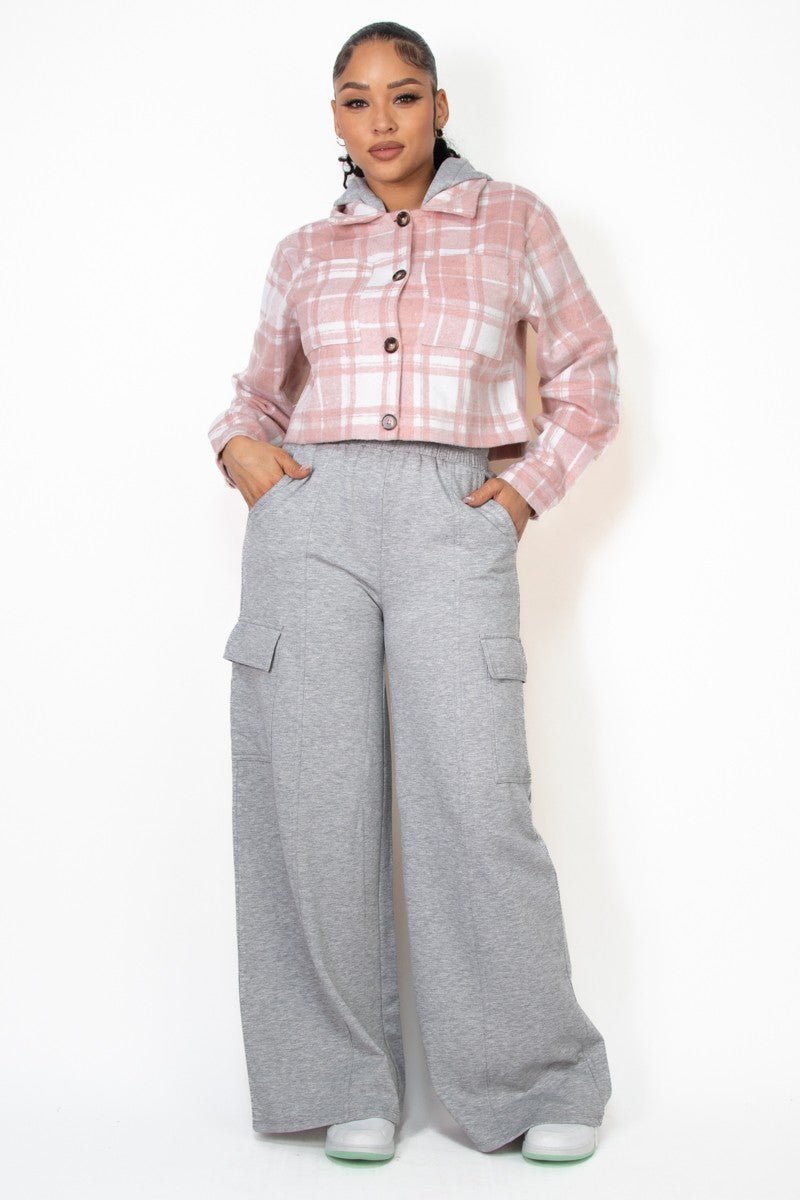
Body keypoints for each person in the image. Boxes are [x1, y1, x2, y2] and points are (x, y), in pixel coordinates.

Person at [207, 21, 620, 1165]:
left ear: (438, 107)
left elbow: (588, 377)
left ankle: (532, 1077)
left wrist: (518, 495)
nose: (379, 120)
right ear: (334, 118)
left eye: (401, 95)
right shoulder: (302, 251)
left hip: (452, 512)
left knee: (473, 799)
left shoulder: (513, 220)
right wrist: (240, 450)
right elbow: (256, 394)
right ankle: (339, 1078)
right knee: (312, 800)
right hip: (312, 516)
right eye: (355, 99)